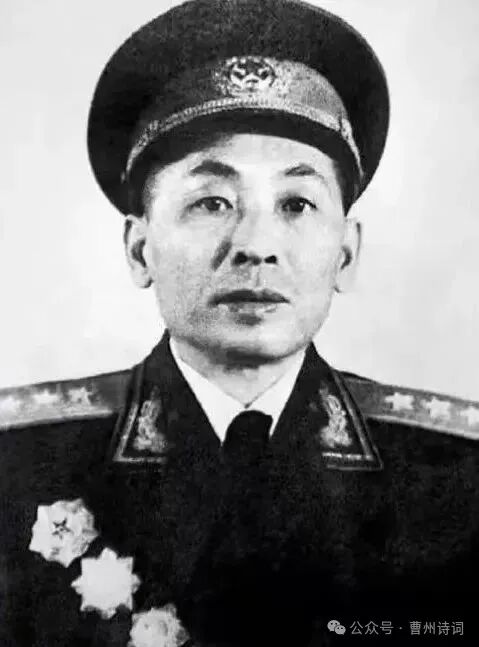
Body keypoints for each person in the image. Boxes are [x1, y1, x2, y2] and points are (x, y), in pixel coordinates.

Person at [1, 0, 478, 645]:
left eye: (297, 203)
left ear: (346, 253)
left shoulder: (453, 473)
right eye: (212, 202)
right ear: (140, 250)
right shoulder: (20, 464)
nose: (257, 245)